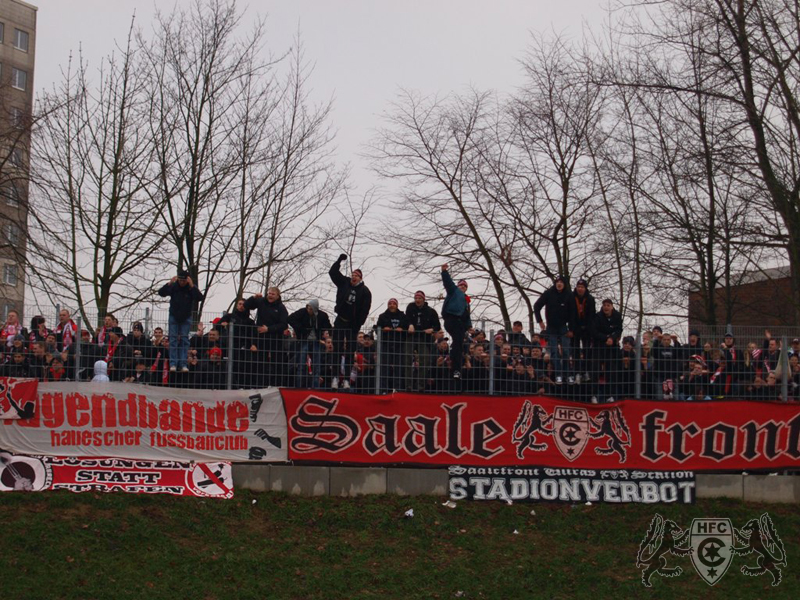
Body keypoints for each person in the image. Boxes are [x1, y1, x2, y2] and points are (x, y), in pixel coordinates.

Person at [329, 254, 372, 389]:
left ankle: (347, 379)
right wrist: (339, 261)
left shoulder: (365, 291)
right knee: (337, 349)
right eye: (353, 274)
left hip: (353, 324)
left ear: (360, 278)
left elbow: (365, 309)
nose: (354, 277)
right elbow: (333, 273)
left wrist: (358, 324)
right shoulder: (344, 283)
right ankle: (335, 377)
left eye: (357, 275)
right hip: (340, 320)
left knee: (349, 352)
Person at [158, 268, 204, 373]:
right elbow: (161, 292)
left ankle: (183, 364)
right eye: (180, 280)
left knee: (184, 340)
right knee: (173, 340)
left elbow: (199, 297)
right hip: (174, 316)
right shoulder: (174, 287)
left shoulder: (190, 289)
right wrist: (169, 283)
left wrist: (192, 286)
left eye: (184, 281)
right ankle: (173, 363)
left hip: (186, 317)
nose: (182, 283)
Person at [244, 287, 289, 387]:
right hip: (261, 339)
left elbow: (284, 324)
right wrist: (253, 297)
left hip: (275, 340)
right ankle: (259, 386)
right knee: (260, 365)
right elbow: (246, 305)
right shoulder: (262, 302)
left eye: (273, 294)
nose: (270, 295)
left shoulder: (281, 308)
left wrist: (269, 329)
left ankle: (276, 386)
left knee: (276, 365)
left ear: (278, 296)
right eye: (269, 293)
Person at [534, 275, 574, 384]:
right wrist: (540, 321)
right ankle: (558, 375)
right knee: (554, 352)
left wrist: (571, 329)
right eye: (557, 282)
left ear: (564, 284)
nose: (559, 284)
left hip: (564, 328)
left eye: (561, 282)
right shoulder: (548, 293)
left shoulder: (569, 295)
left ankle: (567, 374)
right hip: (551, 328)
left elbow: (573, 313)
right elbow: (537, 306)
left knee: (566, 351)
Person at [288, 299, 332, 389]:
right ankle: (299, 387)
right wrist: (300, 328)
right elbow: (290, 319)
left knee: (317, 365)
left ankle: (315, 387)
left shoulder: (322, 315)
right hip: (304, 340)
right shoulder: (302, 312)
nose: (309, 310)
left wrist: (321, 331)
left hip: (316, 341)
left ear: (315, 309)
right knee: (301, 364)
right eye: (308, 308)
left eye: (311, 309)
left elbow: (328, 326)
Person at [405, 290, 441, 392]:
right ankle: (408, 385)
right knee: (406, 358)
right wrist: (410, 325)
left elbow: (437, 326)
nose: (417, 300)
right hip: (411, 337)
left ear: (423, 299)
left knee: (425, 360)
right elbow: (406, 319)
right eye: (416, 298)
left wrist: (432, 330)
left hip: (424, 338)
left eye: (419, 298)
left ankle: (421, 385)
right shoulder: (410, 307)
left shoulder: (431, 311)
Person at [440, 264, 471, 380]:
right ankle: (456, 369)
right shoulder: (454, 292)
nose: (462, 287)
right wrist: (444, 272)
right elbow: (448, 282)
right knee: (458, 344)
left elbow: (467, 315)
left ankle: (455, 363)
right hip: (452, 319)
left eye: (464, 286)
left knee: (458, 345)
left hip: (460, 323)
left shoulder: (466, 300)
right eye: (461, 285)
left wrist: (469, 326)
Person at [590, 298, 623, 403]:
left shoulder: (617, 316)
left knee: (611, 372)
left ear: (612, 307)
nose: (606, 307)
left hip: (612, 348)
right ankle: (593, 395)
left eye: (608, 305)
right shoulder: (597, 316)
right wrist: (606, 338)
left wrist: (612, 338)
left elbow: (619, 329)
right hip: (598, 346)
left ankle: (609, 395)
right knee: (595, 371)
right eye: (604, 305)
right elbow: (594, 331)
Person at [376, 298, 410, 392]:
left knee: (399, 367)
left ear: (397, 305)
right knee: (384, 367)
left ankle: (397, 388)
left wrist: (402, 329)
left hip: (399, 344)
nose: (392, 305)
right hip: (386, 344)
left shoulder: (403, 316)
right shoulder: (382, 316)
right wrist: (383, 329)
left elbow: (407, 328)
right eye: (390, 303)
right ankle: (384, 389)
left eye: (393, 303)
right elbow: (377, 329)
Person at [571, 279, 596, 383]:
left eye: (582, 287)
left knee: (587, 351)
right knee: (575, 351)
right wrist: (573, 328)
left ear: (585, 289)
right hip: (575, 328)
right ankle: (577, 372)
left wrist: (588, 328)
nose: (580, 289)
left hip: (587, 329)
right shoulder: (571, 298)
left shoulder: (590, 299)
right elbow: (570, 314)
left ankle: (586, 372)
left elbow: (592, 315)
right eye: (578, 286)